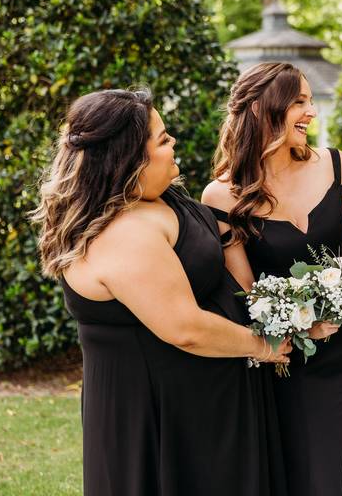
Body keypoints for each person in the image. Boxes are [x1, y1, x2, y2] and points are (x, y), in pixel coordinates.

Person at [33, 88, 290, 496]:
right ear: (129, 157)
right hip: (160, 417)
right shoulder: (123, 233)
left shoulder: (156, 199)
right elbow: (184, 327)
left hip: (203, 401)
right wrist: (263, 345)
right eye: (163, 140)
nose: (174, 146)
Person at [202, 62, 342, 496]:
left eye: (311, 100)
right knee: (316, 478)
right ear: (261, 109)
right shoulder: (222, 195)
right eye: (299, 102)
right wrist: (302, 326)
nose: (311, 111)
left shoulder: (336, 164)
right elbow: (248, 294)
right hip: (294, 363)